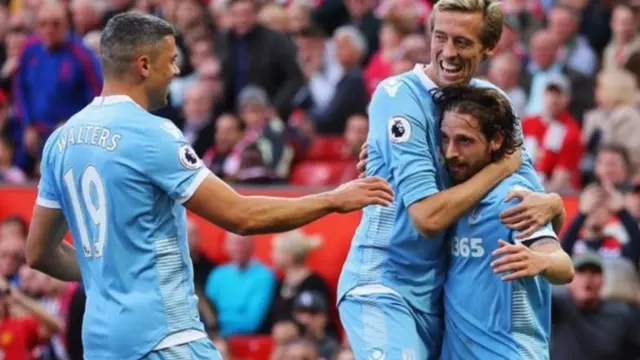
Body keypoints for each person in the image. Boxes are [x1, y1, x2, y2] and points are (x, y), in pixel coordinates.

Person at [24, 13, 393, 360]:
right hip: (164, 337)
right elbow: (242, 216)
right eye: (170, 60)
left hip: (101, 342)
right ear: (143, 65)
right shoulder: (152, 133)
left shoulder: (61, 141)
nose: (176, 70)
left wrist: (102, 269)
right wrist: (333, 199)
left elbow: (39, 252)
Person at [339, 0, 566, 359]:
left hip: (437, 296)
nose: (448, 52)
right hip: (383, 281)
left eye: (462, 42)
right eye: (439, 37)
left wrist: (554, 203)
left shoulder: (491, 103)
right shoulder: (398, 95)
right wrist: (498, 169)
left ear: (490, 48)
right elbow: (427, 218)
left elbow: (535, 206)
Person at [435, 86, 574, 359]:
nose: (451, 152)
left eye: (464, 141)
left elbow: (564, 266)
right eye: (444, 139)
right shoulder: (447, 194)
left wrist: (541, 262)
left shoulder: (512, 198)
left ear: (496, 140)